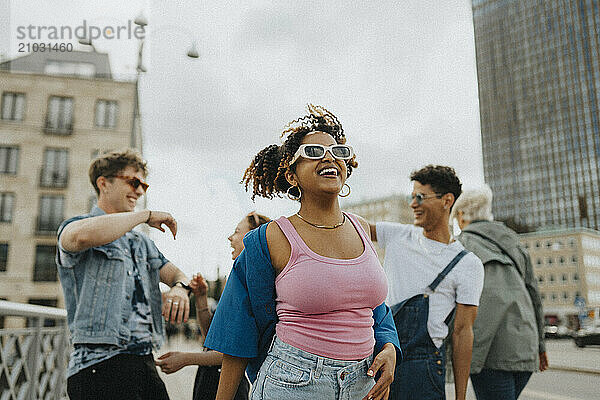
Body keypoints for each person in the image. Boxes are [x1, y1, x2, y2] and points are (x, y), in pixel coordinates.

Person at [204, 104, 400, 400]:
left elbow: (375, 308)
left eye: (338, 151)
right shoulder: (270, 238)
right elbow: (239, 330)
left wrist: (388, 348)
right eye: (313, 152)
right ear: (292, 176)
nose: (329, 157)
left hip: (364, 384)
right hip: (294, 384)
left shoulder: (361, 228)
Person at [56, 149, 192, 400]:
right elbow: (80, 237)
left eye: (144, 185)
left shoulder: (142, 243)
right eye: (133, 182)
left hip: (143, 362)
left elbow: (177, 274)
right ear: (103, 183)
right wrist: (145, 216)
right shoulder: (77, 226)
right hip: (98, 366)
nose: (140, 191)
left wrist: (181, 288)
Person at [369, 165, 485, 400]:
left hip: (424, 371)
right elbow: (349, 226)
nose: (413, 204)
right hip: (378, 356)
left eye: (420, 197)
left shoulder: (467, 264)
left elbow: (463, 333)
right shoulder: (397, 235)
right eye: (412, 197)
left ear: (447, 200)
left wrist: (460, 397)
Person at [155, 212, 271, 400]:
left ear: (253, 236)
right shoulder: (239, 280)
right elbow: (212, 338)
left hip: (228, 384)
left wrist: (185, 358)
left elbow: (237, 353)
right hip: (210, 379)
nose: (230, 237)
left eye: (236, 231)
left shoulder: (258, 285)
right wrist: (201, 297)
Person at [451, 186, 548, 400]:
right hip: (526, 346)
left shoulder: (461, 245)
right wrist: (540, 346)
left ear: (460, 215)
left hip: (489, 352)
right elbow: (534, 296)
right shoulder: (514, 241)